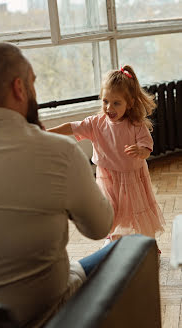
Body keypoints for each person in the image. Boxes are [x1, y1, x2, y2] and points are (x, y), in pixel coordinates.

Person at [0, 42, 115, 328]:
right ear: (20, 88)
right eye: (33, 83)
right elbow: (100, 227)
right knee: (127, 245)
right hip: (48, 312)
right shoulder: (59, 152)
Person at [48, 65, 165, 248]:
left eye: (116, 103)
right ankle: (113, 239)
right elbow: (72, 126)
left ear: (130, 103)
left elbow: (147, 147)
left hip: (131, 178)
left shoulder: (135, 125)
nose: (109, 107)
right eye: (105, 101)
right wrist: (47, 131)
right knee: (111, 211)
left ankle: (149, 243)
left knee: (135, 211)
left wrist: (140, 151)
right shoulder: (96, 123)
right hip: (107, 177)